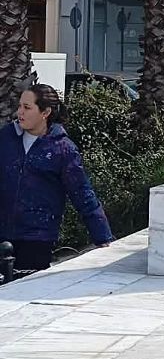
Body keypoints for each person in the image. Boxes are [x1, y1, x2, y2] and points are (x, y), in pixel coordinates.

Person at [0, 84, 112, 273]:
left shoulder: (62, 149)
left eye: (27, 107)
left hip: (37, 239)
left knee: (26, 288)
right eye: (19, 106)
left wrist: (103, 237)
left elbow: (82, 193)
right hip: (3, 234)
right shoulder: (5, 139)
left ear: (45, 112)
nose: (20, 112)